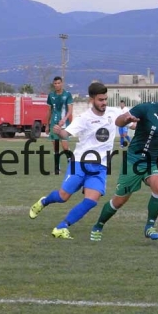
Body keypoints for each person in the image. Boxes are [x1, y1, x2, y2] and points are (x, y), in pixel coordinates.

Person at [90, 82, 158, 241]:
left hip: (155, 162)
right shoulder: (146, 108)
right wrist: (126, 119)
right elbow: (118, 122)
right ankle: (98, 225)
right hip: (133, 161)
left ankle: (150, 227)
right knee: (119, 201)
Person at [29, 82, 120, 239]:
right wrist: (60, 132)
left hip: (100, 167)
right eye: (100, 100)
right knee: (63, 197)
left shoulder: (114, 112)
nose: (104, 103)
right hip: (79, 163)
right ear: (91, 99)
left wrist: (134, 121)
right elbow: (66, 134)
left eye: (105, 99)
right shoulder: (84, 118)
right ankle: (44, 202)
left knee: (91, 201)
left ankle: (61, 227)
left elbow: (130, 120)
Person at [45, 76, 74, 174]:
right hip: (54, 124)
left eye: (58, 83)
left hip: (64, 125)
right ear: (53, 84)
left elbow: (70, 110)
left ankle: (71, 167)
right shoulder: (51, 95)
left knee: (65, 147)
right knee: (56, 147)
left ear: (62, 83)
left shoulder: (67, 95)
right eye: (55, 83)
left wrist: (64, 120)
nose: (57, 85)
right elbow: (49, 111)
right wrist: (47, 125)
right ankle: (57, 169)